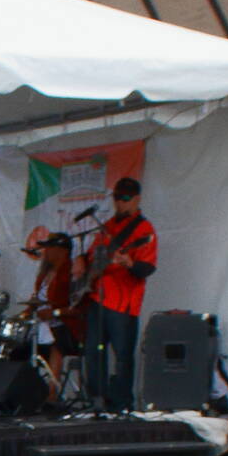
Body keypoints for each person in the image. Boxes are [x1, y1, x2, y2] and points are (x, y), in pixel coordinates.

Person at [78, 177, 158, 413]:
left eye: (125, 199)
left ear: (136, 199)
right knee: (93, 351)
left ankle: (123, 403)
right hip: (97, 298)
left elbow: (147, 268)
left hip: (123, 304)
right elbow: (92, 255)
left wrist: (129, 263)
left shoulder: (144, 229)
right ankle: (98, 400)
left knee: (122, 356)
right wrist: (80, 261)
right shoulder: (107, 226)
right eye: (116, 198)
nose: (120, 203)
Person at [23, 230, 78, 386]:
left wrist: (54, 312)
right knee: (20, 340)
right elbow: (38, 301)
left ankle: (52, 393)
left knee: (56, 343)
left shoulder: (71, 272)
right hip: (42, 322)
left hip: (65, 325)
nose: (46, 251)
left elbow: (77, 307)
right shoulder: (45, 274)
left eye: (50, 247)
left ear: (63, 251)